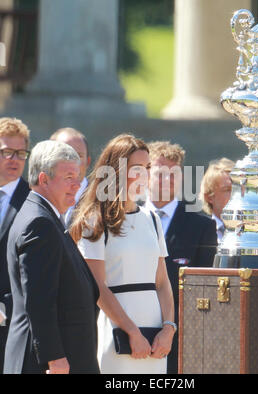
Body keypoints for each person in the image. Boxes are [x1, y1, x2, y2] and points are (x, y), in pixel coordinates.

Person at [70, 134, 175, 374]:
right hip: (117, 331)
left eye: (147, 167)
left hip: (156, 337)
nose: (145, 175)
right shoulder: (94, 220)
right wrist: (132, 332)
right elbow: (97, 286)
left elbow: (162, 283)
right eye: (137, 168)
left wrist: (168, 329)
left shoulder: (152, 219)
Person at [4, 140, 100, 374]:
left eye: (78, 177)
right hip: (51, 364)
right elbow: (39, 301)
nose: (77, 185)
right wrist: (54, 357)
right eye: (68, 177)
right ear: (44, 179)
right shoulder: (39, 223)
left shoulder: (44, 216)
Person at [145, 141, 217, 374]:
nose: (167, 180)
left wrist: (172, 328)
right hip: (130, 329)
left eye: (174, 173)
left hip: (180, 339)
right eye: (160, 173)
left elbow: (204, 287)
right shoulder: (122, 218)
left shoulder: (202, 225)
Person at [0, 117, 31, 374]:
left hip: (11, 322)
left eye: (20, 153)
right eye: (7, 152)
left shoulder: (33, 202)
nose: (14, 159)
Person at [50, 127, 91, 226]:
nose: (72, 163)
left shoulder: (104, 203)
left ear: (88, 162)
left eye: (78, 156)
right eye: (64, 155)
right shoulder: (35, 200)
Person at [199, 157, 235, 243]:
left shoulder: (255, 233)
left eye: (239, 189)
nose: (236, 195)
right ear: (209, 197)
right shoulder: (196, 233)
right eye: (228, 190)